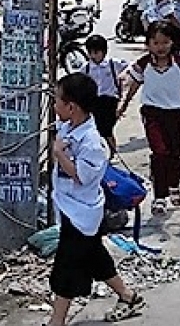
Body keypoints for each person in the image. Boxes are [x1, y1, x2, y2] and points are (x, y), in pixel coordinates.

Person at [46, 73, 146, 326]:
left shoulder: (92, 142)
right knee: (93, 255)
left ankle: (56, 321)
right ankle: (128, 295)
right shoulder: (69, 127)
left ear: (71, 107)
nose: (54, 105)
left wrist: (59, 153)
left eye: (57, 100)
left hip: (82, 211)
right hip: (70, 207)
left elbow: (82, 176)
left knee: (66, 267)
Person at [118, 22, 180, 216]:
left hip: (175, 113)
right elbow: (134, 84)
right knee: (159, 152)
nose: (160, 47)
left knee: (174, 152)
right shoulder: (144, 63)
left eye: (165, 42)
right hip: (152, 112)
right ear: (148, 44)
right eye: (156, 42)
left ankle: (174, 183)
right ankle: (159, 196)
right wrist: (124, 104)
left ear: (172, 42)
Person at [81, 34, 127, 157]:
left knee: (106, 128)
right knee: (96, 128)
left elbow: (129, 69)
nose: (94, 56)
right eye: (91, 52)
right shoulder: (86, 68)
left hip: (110, 100)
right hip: (95, 101)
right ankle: (103, 151)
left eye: (97, 52)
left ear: (104, 52)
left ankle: (113, 151)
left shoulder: (113, 64)